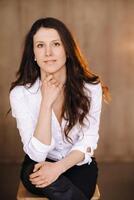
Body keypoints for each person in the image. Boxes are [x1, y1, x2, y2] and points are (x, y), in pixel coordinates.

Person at [9, 17, 109, 200]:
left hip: (77, 162)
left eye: (55, 44)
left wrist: (58, 168)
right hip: (37, 163)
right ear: (33, 53)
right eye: (40, 45)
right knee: (47, 180)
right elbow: (37, 154)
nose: (48, 52)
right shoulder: (20, 94)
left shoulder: (90, 87)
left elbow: (88, 140)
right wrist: (46, 103)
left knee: (67, 188)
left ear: (67, 50)